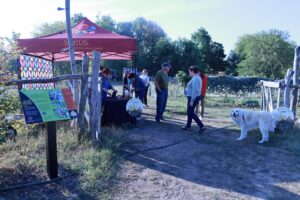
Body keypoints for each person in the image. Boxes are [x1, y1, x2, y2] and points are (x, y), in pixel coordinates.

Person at [182, 65, 205, 133]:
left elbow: (195, 90)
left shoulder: (195, 79)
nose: (189, 73)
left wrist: (192, 100)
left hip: (193, 98)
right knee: (190, 112)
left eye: (189, 71)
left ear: (192, 71)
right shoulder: (197, 77)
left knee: (191, 112)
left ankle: (201, 126)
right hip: (194, 97)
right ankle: (188, 125)